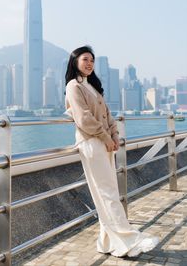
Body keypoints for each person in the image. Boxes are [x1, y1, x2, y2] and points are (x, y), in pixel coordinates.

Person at [65, 45, 159, 258]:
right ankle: (129, 238)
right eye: (85, 59)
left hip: (104, 143)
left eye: (92, 61)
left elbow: (107, 115)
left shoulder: (92, 86)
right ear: (75, 62)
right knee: (107, 193)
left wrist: (114, 135)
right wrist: (106, 137)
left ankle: (107, 242)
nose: (89, 64)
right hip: (92, 143)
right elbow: (83, 118)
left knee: (107, 192)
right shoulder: (73, 86)